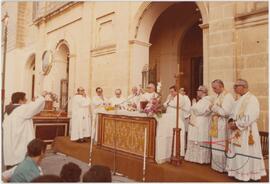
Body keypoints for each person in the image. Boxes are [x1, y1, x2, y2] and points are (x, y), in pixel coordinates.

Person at [226, 79, 266, 181]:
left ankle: (250, 175)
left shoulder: (252, 99)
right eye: (234, 86)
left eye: (236, 86)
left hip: (247, 131)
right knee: (238, 151)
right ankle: (239, 173)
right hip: (237, 131)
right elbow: (232, 113)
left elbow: (251, 116)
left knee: (246, 152)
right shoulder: (238, 100)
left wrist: (237, 124)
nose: (234, 88)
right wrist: (231, 121)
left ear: (244, 86)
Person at [3, 91, 46, 167]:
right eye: (25, 99)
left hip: (11, 140)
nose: (26, 101)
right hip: (20, 141)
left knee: (12, 159)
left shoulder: (7, 111)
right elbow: (36, 106)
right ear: (20, 100)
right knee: (21, 160)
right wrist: (41, 96)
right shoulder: (21, 109)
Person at [210, 79, 234, 172]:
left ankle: (223, 167)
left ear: (221, 86)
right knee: (216, 144)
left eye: (215, 88)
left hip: (223, 124)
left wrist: (214, 108)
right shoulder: (219, 96)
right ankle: (217, 166)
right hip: (216, 123)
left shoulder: (228, 96)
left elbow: (225, 112)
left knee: (221, 144)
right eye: (213, 88)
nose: (213, 90)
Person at [184, 85, 212, 164]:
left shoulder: (206, 100)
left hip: (201, 122)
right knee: (195, 137)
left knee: (200, 138)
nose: (197, 92)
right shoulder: (201, 100)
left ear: (203, 92)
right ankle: (194, 158)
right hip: (196, 122)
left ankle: (201, 159)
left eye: (198, 90)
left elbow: (199, 111)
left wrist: (194, 105)